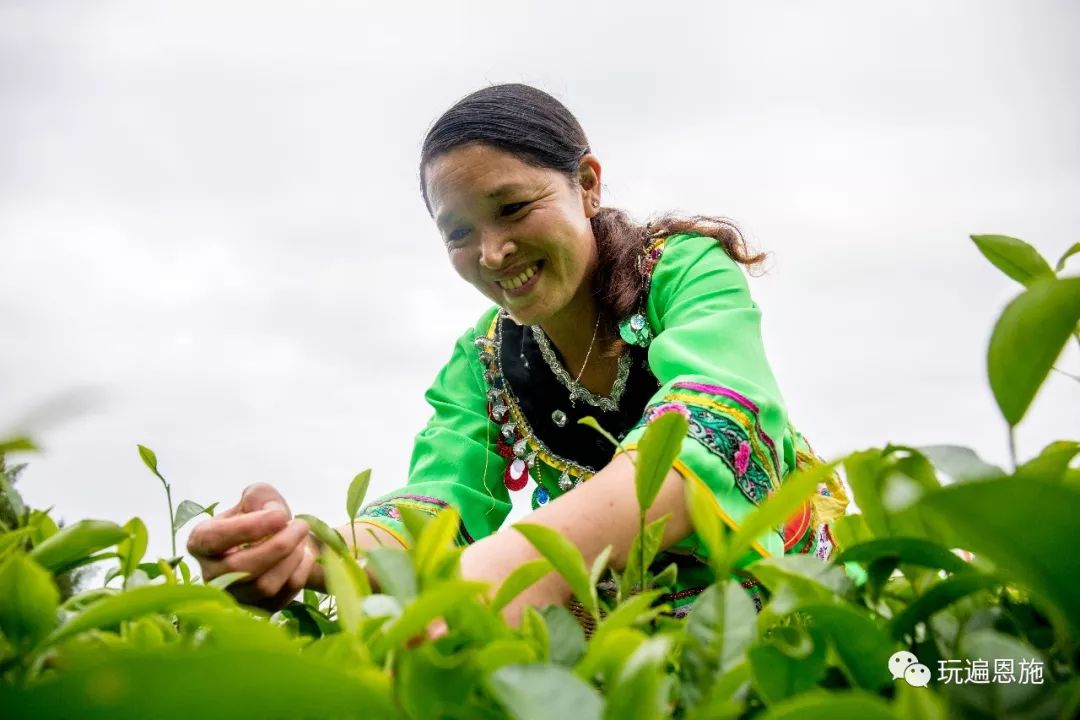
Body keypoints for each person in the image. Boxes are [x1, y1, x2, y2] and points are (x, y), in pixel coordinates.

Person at [187, 83, 848, 623]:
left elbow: (714, 427)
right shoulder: (485, 358)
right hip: (626, 631)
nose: (492, 253)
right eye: (458, 232)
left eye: (513, 208)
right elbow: (438, 505)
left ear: (587, 185)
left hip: (779, 608)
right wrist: (306, 551)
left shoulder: (682, 272)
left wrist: (521, 561)